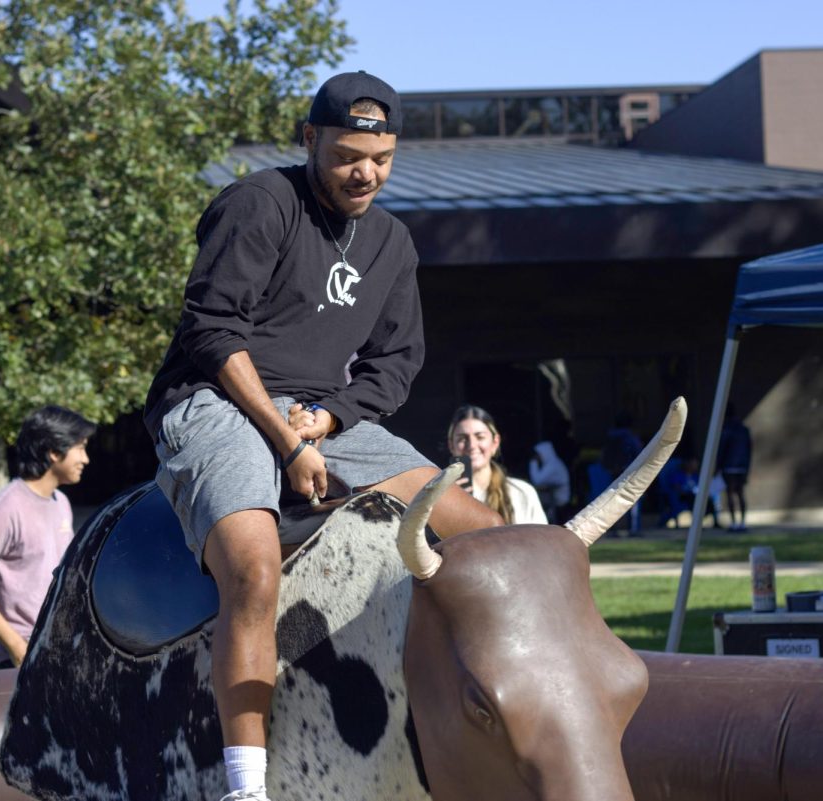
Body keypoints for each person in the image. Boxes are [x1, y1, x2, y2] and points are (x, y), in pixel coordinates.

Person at [142, 71, 502, 801]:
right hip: (216, 401)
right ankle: (246, 787)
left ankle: (485, 726)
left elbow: (396, 365)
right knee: (254, 564)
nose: (365, 173)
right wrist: (287, 439)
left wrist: (329, 419)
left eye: (382, 157)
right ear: (311, 140)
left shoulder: (394, 243)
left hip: (317, 416)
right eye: (346, 156)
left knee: (493, 538)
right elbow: (210, 331)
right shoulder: (261, 203)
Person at [0, 405, 95, 670]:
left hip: (59, 647)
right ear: (54, 452)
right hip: (20, 655)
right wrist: (17, 646)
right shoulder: (4, 508)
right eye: (80, 448)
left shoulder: (61, 502)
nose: (85, 459)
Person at [448, 405, 547, 524]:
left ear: (495, 443)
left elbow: (541, 540)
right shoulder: (441, 497)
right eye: (462, 439)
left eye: (480, 437)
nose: (472, 445)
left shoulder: (521, 493)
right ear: (451, 446)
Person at [602, 411, 644, 535]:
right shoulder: (631, 437)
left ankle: (613, 529)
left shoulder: (609, 437)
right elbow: (639, 454)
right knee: (632, 501)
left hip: (614, 472)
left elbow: (604, 457)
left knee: (612, 501)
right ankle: (634, 529)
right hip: (629, 471)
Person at [718, 403, 753, 531]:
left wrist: (718, 466)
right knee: (740, 493)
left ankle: (734, 523)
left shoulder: (726, 429)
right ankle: (742, 522)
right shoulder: (744, 430)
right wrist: (747, 467)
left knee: (730, 493)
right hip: (742, 465)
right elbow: (749, 450)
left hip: (729, 465)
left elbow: (722, 449)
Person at [529, 440, 571, 523]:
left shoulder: (553, 465)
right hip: (555, 499)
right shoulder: (552, 463)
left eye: (538, 454)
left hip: (560, 502)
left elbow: (537, 480)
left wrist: (533, 463)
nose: (538, 457)